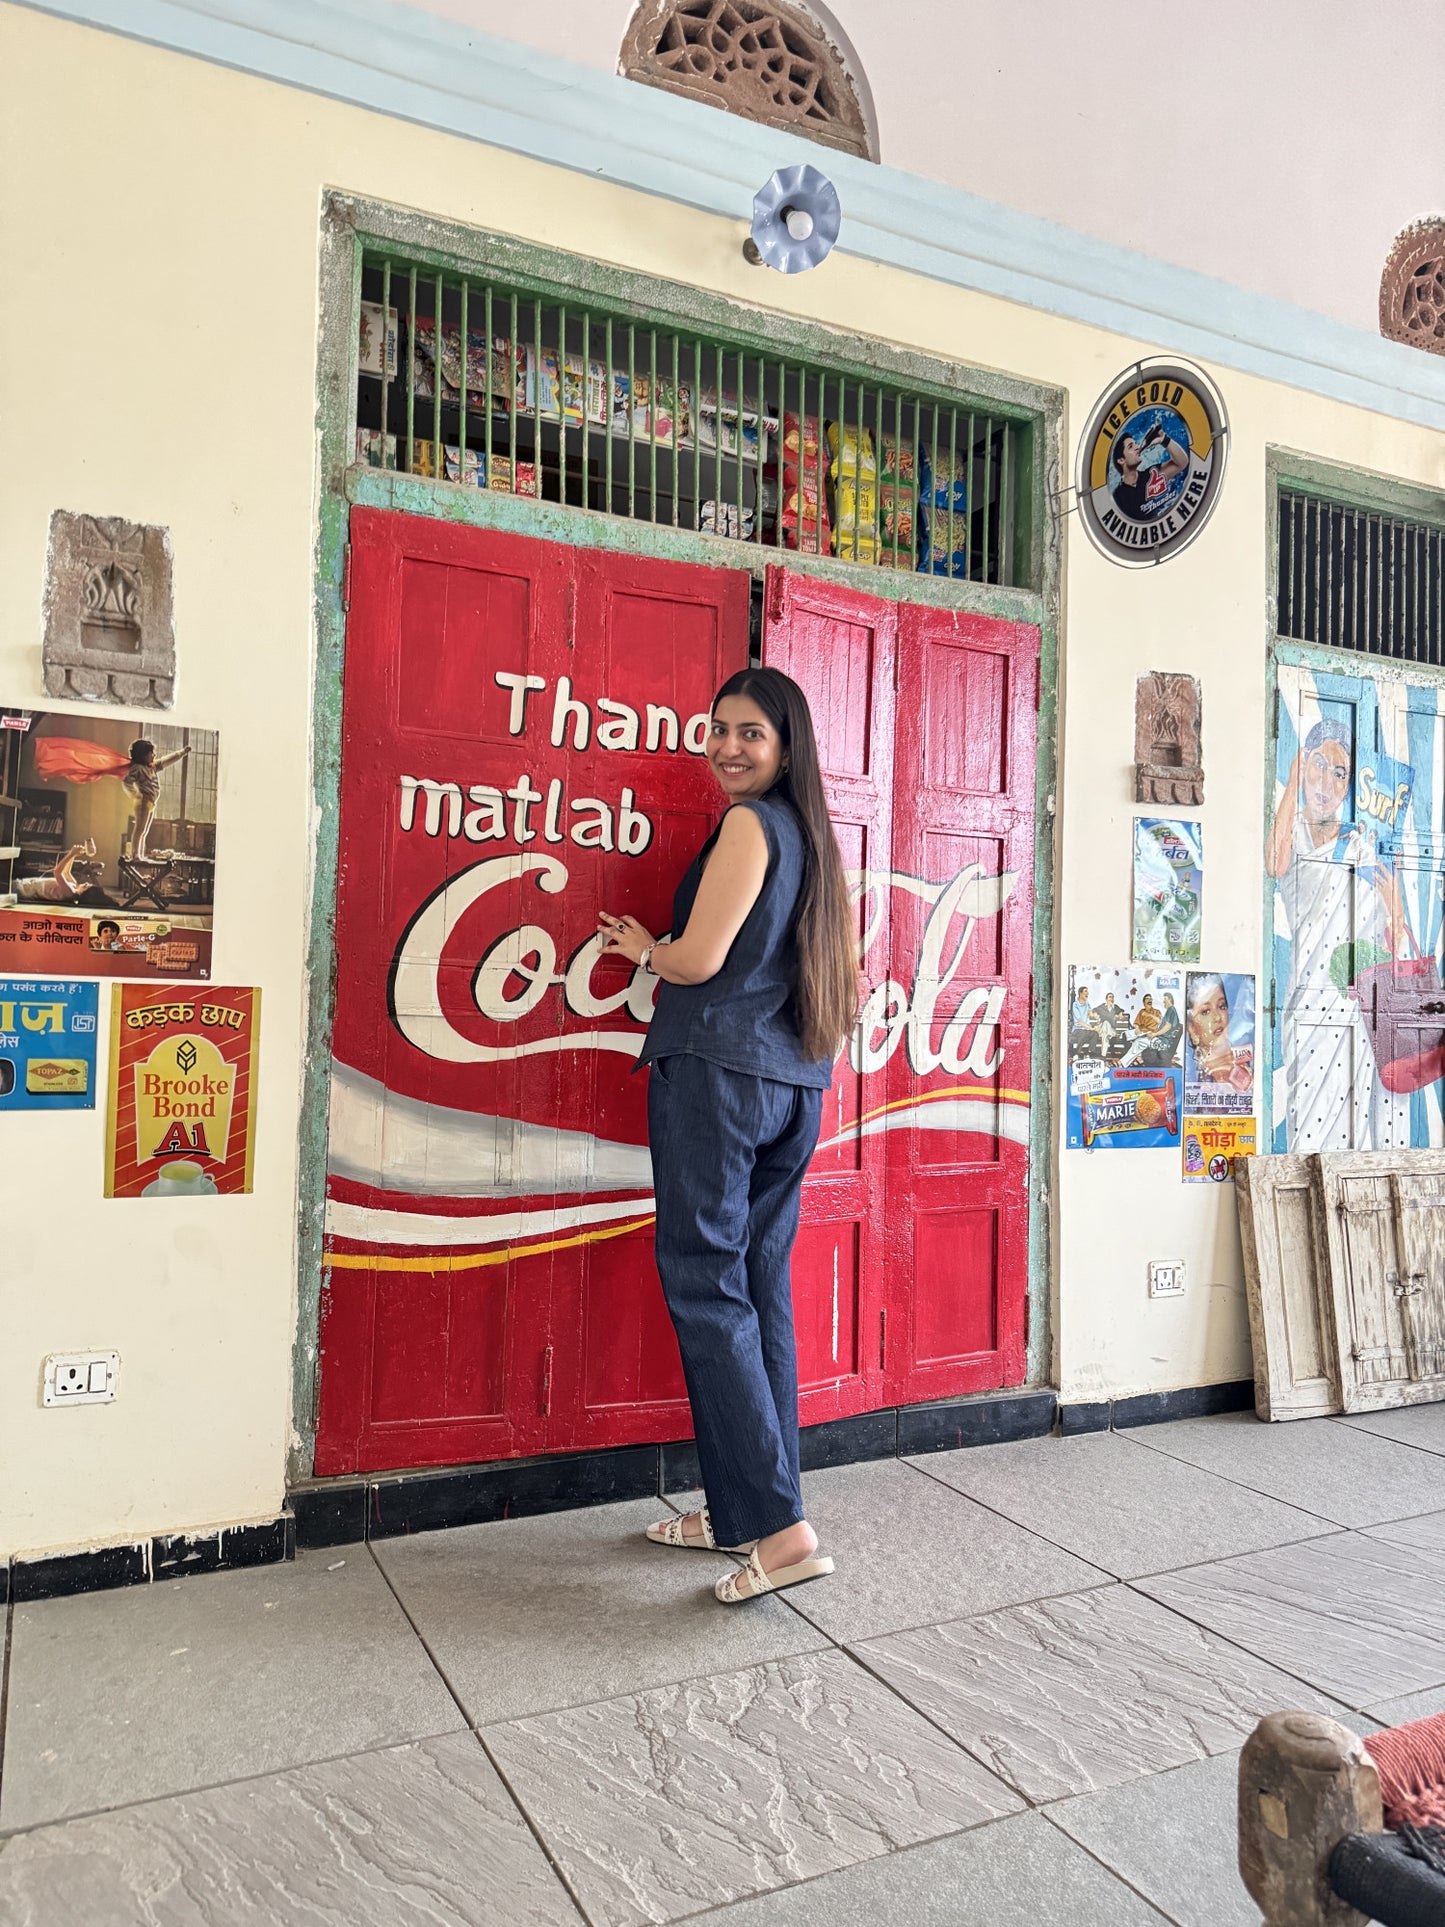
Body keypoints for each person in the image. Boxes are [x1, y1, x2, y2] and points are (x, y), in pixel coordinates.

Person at [596, 667, 856, 1606]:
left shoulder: (749, 827)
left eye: (750, 731)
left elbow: (698, 958)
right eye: (717, 729)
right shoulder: (816, 839)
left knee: (707, 1285)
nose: (728, 746)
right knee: (753, 1287)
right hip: (792, 1081)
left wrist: (640, 950)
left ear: (785, 743)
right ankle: (740, 1508)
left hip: (718, 1077)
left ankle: (781, 1531)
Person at [1266, 715, 1407, 1150]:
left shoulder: (1360, 846)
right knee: (1307, 1138)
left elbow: (1395, 939)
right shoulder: (1295, 837)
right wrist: (1292, 780)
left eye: (1340, 772)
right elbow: (1275, 862)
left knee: (1356, 1139)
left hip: (1356, 1020)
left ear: (1348, 786)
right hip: (1308, 1014)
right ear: (1304, 764)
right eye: (1319, 765)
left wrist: (1392, 906)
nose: (1326, 781)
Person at [122, 739, 190, 860]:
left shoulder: (152, 767)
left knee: (145, 831)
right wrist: (137, 795)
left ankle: (140, 854)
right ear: (143, 755)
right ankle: (135, 854)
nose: (154, 755)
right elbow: (127, 782)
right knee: (140, 828)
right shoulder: (137, 768)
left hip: (151, 802)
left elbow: (167, 760)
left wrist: (182, 752)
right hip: (143, 802)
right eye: (151, 753)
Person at [1185, 973, 1253, 1092]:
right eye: (1205, 1011)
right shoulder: (1199, 1078)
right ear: (1192, 1030)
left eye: (1222, 1006)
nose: (1217, 1017)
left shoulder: (1245, 1059)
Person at [1110, 420, 1189, 522]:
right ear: (1121, 460)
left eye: (1136, 444)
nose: (1137, 447)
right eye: (1131, 446)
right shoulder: (1118, 496)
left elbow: (1181, 463)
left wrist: (1164, 439)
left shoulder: (1150, 475)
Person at [16, 840, 104, 903]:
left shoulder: (70, 893)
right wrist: (73, 856)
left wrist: (71, 854)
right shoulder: (74, 885)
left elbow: (57, 872)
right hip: (25, 885)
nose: (87, 884)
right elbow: (66, 872)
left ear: (85, 894)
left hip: (23, 890)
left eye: (87, 887)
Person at [1116, 992, 1161, 1067]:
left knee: (1137, 1042)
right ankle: (1131, 1059)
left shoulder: (1156, 1012)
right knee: (1125, 1035)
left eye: (1150, 999)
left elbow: (1159, 1021)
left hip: (1151, 1032)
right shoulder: (1142, 1011)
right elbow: (1136, 1023)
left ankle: (1125, 1062)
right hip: (1141, 1031)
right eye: (1147, 999)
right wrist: (1137, 1028)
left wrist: (1150, 1015)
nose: (1149, 1000)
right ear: (1144, 1003)